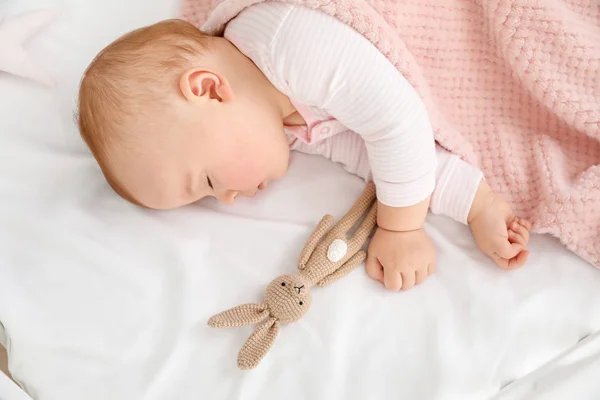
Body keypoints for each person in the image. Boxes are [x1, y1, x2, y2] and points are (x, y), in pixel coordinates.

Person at [76, 3, 532, 292]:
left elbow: (398, 123)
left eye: (210, 182)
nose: (229, 198)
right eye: (212, 197)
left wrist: (400, 229)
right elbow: (379, 157)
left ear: (209, 90)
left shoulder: (287, 44)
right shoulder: (285, 123)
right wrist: (475, 202)